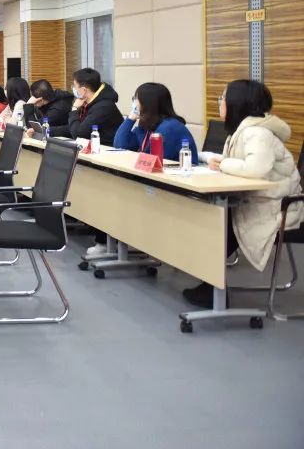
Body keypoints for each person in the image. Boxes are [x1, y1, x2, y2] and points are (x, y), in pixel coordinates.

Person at [182, 80, 303, 308]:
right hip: (262, 202)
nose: (220, 102)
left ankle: (214, 289)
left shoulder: (257, 133)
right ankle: (212, 285)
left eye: (223, 98)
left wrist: (223, 164)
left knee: (218, 223)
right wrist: (220, 162)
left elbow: (256, 169)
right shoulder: (244, 131)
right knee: (213, 219)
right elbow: (241, 165)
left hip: (279, 210)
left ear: (236, 104)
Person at [113, 83, 198, 163]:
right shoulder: (148, 125)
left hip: (179, 173)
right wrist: (130, 119)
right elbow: (120, 146)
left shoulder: (170, 128)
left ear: (146, 103)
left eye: (135, 99)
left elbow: (151, 160)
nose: (134, 103)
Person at [65, 68, 123, 140]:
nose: (73, 89)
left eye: (75, 86)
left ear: (83, 90)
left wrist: (74, 109)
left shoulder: (103, 107)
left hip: (107, 146)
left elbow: (78, 134)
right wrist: (53, 131)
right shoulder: (87, 102)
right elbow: (75, 126)